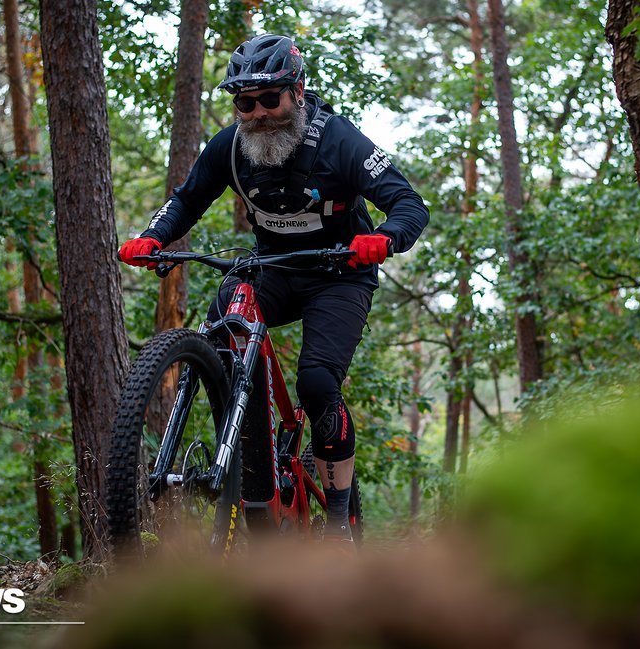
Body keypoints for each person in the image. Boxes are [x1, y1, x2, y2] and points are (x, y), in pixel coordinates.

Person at [118, 33, 429, 542]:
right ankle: (245, 455)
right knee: (222, 322)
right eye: (245, 102)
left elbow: (411, 206)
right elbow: (186, 199)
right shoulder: (230, 147)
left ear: (298, 91)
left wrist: (384, 239)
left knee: (317, 384)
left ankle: (338, 523)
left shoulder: (339, 140)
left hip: (340, 274)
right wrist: (152, 237)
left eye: (270, 99)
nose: (258, 112)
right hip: (275, 269)